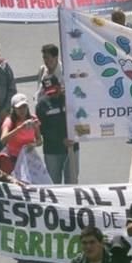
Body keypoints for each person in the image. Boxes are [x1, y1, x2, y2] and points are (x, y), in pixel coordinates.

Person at [35, 44, 79, 183]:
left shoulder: (67, 74)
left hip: (71, 145)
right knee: (53, 182)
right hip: (52, 148)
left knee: (71, 181)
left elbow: (80, 113)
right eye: (44, 58)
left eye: (48, 58)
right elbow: (42, 126)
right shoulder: (43, 72)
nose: (46, 61)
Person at [0, 94, 43, 174]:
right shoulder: (9, 121)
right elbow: (3, 139)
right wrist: (20, 127)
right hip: (14, 159)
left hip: (29, 157)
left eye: (24, 107)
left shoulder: (33, 118)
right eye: (19, 108)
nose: (22, 110)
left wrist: (33, 144)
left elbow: (39, 140)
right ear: (14, 109)